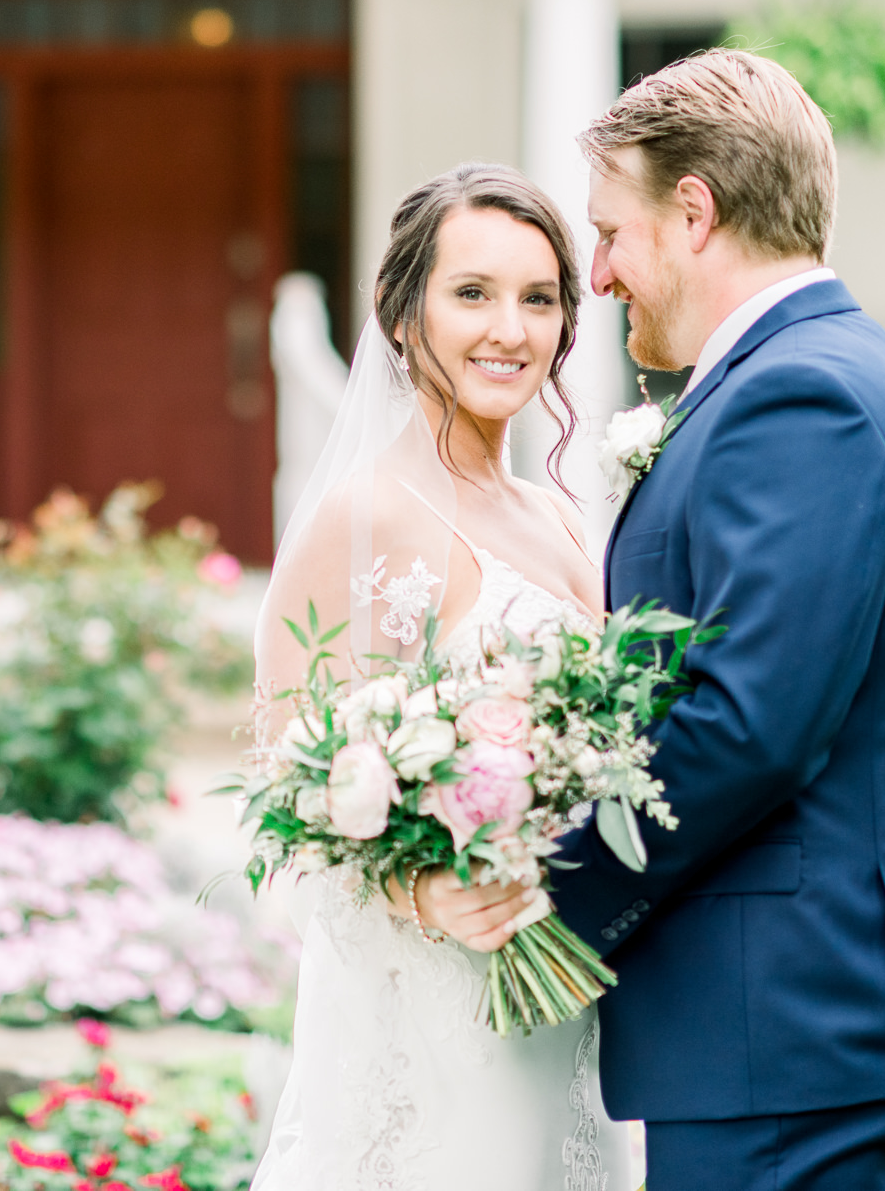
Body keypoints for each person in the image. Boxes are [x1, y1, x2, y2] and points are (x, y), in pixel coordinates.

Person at [548, 48, 885, 1190]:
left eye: (611, 231)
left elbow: (751, 723)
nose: (598, 274)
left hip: (790, 1020)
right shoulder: (802, 375)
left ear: (693, 212)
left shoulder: (804, 396)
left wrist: (548, 890)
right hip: (780, 1029)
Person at [251, 163, 634, 1191]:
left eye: (539, 297)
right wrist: (423, 893)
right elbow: (289, 800)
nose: (510, 327)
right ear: (402, 309)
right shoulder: (358, 519)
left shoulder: (562, 519)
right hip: (423, 1030)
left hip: (564, 1007)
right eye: (473, 292)